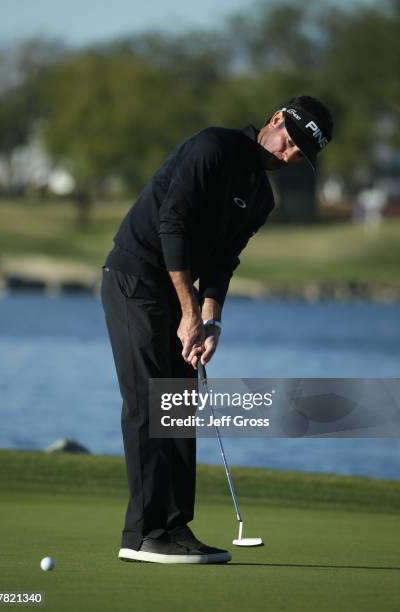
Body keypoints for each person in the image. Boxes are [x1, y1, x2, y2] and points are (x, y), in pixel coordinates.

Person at [101, 95, 333, 564]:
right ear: (274, 120)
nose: (289, 155)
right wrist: (189, 310)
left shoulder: (262, 198)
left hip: (177, 293)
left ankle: (174, 527)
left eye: (300, 155)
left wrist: (210, 320)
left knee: (181, 404)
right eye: (290, 141)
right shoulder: (213, 148)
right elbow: (173, 224)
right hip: (136, 278)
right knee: (150, 401)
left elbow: (223, 261)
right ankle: (142, 534)